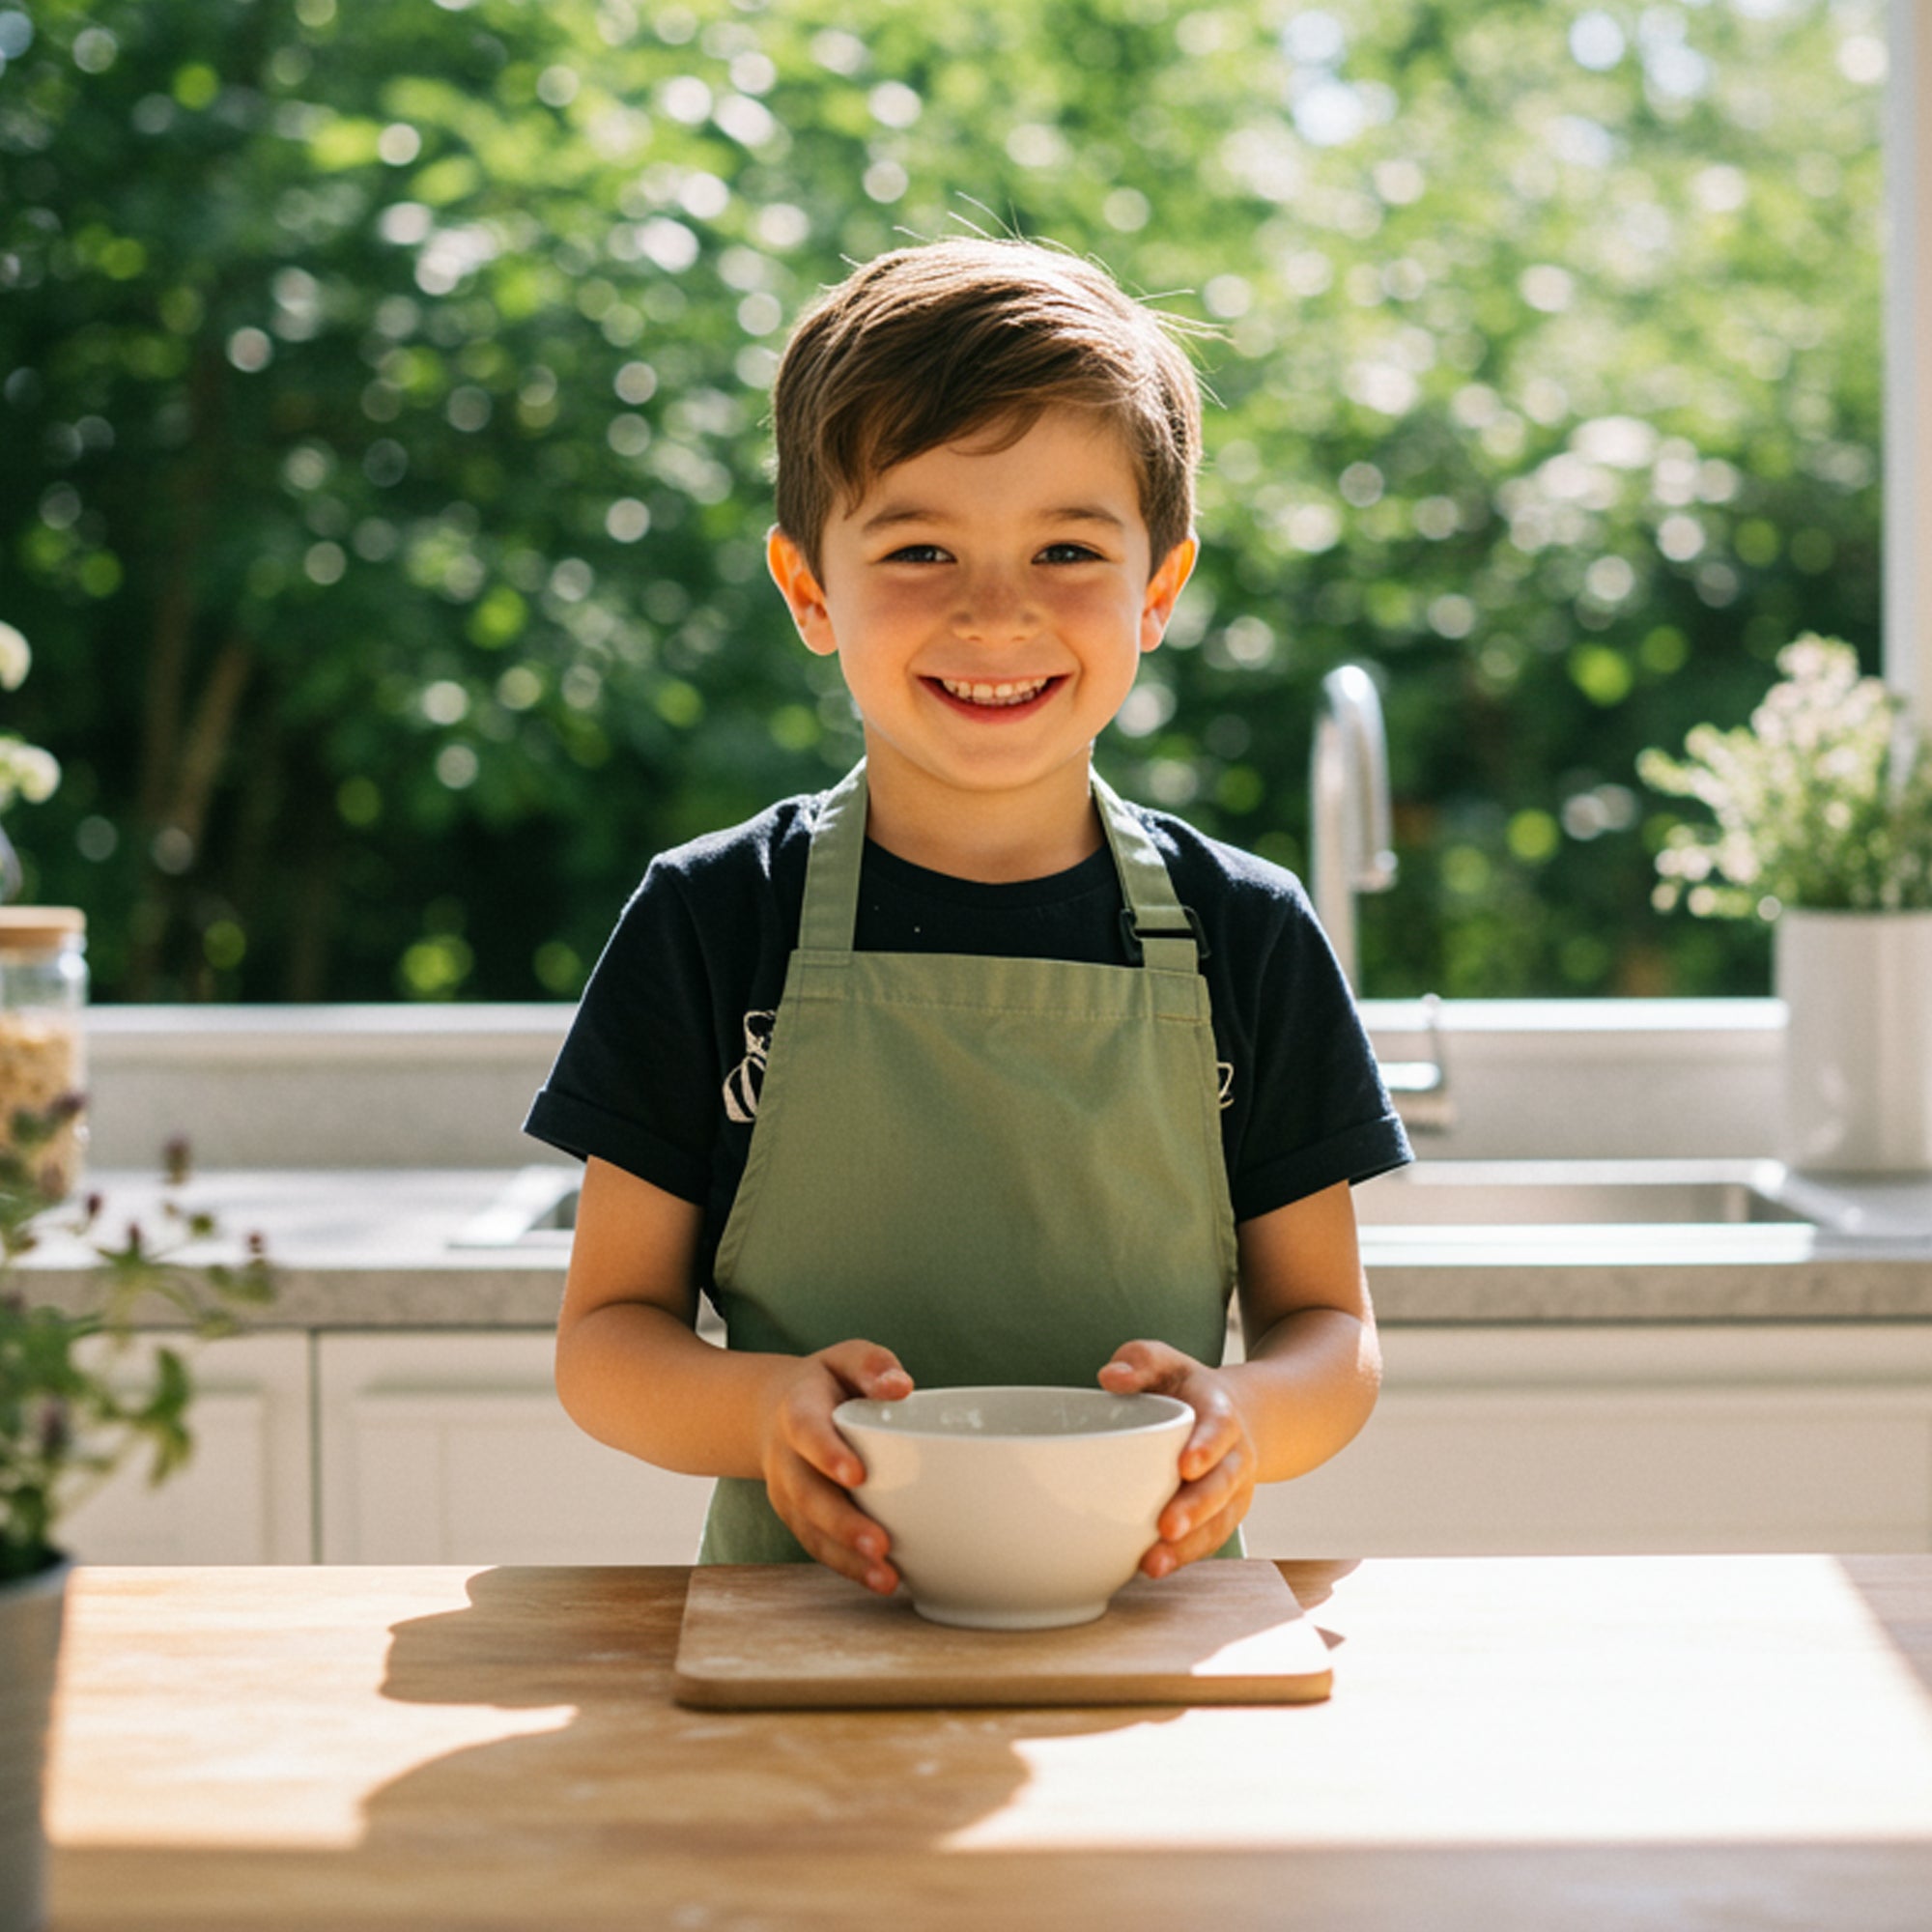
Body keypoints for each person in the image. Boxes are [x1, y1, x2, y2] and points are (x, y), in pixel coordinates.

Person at [526, 237, 1411, 1597]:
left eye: (1065, 548)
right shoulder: (709, 922)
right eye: (922, 547)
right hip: (805, 1620)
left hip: (1149, 1634)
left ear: (1157, 592)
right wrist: (762, 1414)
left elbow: (1329, 1333)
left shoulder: (1253, 934)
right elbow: (605, 1341)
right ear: (809, 591)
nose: (995, 613)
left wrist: (1250, 1418)